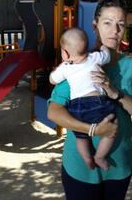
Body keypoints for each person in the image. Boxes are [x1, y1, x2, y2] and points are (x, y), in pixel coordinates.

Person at [47, 0, 132, 200]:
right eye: (107, 23)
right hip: (79, 166)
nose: (114, 30)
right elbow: (54, 111)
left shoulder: (131, 67)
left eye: (120, 24)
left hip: (118, 166)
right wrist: (94, 130)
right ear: (95, 26)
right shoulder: (77, 63)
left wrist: (116, 93)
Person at [49, 27, 115, 171]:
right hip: (97, 103)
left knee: (80, 137)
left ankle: (86, 158)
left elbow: (52, 80)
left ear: (65, 53)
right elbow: (107, 56)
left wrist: (58, 68)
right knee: (112, 128)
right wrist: (103, 47)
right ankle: (99, 157)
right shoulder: (95, 58)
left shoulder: (65, 67)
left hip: (76, 107)